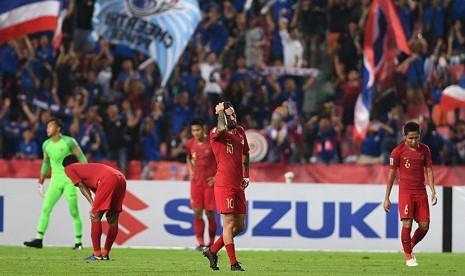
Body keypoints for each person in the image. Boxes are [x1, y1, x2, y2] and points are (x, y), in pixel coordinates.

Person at [24, 118, 88, 249]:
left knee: (74, 211)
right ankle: (39, 239)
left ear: (58, 128)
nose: (47, 129)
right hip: (55, 181)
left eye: (50, 126)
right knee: (46, 209)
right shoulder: (46, 145)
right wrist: (41, 178)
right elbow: (46, 163)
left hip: (70, 180)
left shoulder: (69, 142)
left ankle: (78, 242)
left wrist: (87, 173)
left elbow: (81, 157)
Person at [202, 101, 250, 271]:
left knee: (240, 226)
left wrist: (247, 176)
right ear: (223, 117)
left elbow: (246, 154)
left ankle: (212, 250)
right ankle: (233, 263)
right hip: (224, 184)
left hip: (239, 184)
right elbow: (221, 128)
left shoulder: (241, 132)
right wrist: (221, 112)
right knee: (228, 224)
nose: (233, 117)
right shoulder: (217, 132)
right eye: (229, 115)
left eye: (234, 114)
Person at [384, 121, 438, 267]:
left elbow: (429, 170)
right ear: (405, 137)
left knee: (425, 226)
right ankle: (409, 257)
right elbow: (391, 175)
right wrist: (387, 198)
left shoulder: (425, 150)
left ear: (419, 136)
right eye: (410, 138)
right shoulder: (397, 152)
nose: (413, 141)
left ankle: (409, 245)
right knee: (406, 223)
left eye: (416, 138)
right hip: (406, 192)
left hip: (421, 192)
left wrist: (433, 190)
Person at [62, 154, 127, 261]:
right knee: (113, 219)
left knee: (95, 217)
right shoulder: (86, 168)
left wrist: (93, 205)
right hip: (121, 177)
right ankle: (105, 254)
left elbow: (82, 186)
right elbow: (96, 189)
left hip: (108, 179)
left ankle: (97, 254)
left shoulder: (69, 168)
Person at [186, 118, 218, 251]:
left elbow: (221, 160)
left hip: (209, 183)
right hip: (196, 183)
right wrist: (191, 171)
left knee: (210, 213)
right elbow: (188, 158)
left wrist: (216, 177)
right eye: (193, 130)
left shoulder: (212, 143)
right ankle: (200, 243)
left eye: (197, 130)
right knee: (197, 213)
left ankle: (211, 243)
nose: (195, 133)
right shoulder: (190, 144)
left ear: (203, 129)